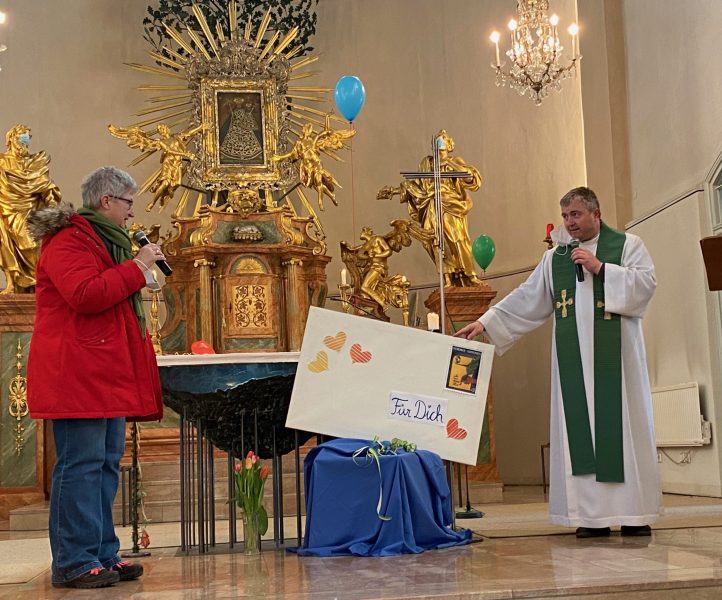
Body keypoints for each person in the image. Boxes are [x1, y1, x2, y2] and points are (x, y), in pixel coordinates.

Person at [455, 187, 661, 538]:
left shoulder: (628, 246)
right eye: (565, 216)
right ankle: (591, 518)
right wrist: (486, 321)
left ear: (596, 213)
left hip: (619, 367)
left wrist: (601, 268)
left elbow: (646, 284)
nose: (570, 223)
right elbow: (528, 296)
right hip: (574, 368)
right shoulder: (557, 259)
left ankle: (633, 514)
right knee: (580, 434)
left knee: (624, 428)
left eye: (576, 215)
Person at [25, 166, 164, 588]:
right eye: (127, 204)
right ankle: (72, 561)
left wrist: (134, 270)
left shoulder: (106, 242)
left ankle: (103, 552)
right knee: (80, 466)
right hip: (76, 373)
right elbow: (85, 295)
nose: (131, 213)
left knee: (104, 466)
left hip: (102, 373)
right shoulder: (69, 240)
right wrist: (137, 268)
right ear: (106, 201)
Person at [377, 130, 481, 287]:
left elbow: (471, 179)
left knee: (457, 238)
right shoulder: (426, 163)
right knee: (435, 240)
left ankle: (469, 274)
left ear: (450, 144)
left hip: (451, 206)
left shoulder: (455, 161)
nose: (439, 142)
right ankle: (447, 276)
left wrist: (448, 163)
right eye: (437, 140)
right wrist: (393, 191)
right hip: (431, 207)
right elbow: (415, 186)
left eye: (443, 139)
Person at [0, 125, 61, 293]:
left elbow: (46, 186)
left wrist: (50, 200)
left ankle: (39, 280)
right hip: (7, 211)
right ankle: (13, 282)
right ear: (11, 139)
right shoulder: (1, 162)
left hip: (30, 210)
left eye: (26, 139)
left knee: (32, 246)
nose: (24, 142)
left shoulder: (35, 162)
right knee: (6, 243)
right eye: (21, 138)